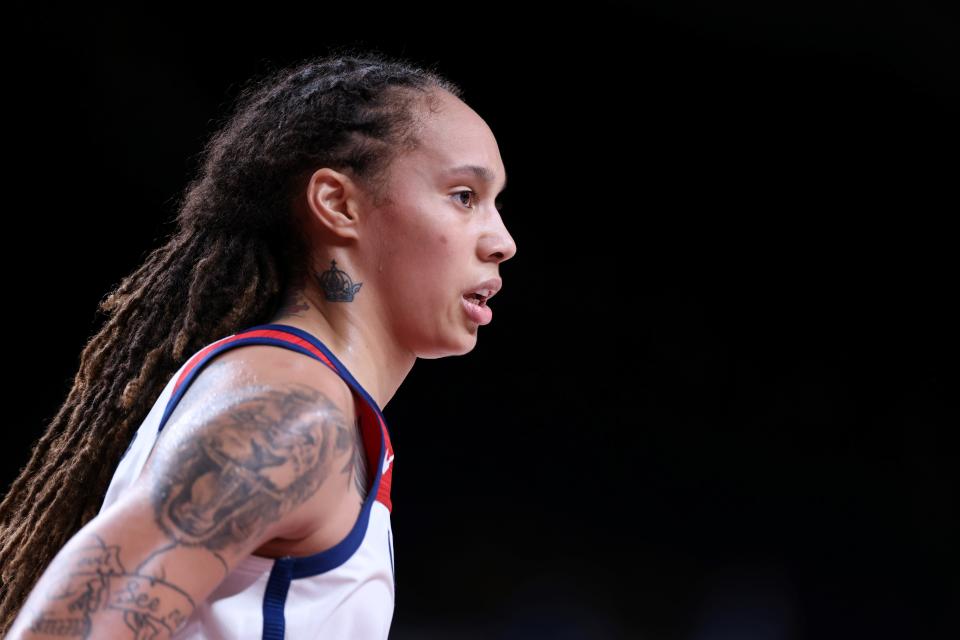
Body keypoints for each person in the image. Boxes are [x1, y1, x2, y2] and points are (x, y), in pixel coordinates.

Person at [0, 48, 516, 638]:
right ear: (338, 204)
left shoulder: (297, 399)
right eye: (463, 196)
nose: (502, 241)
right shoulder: (292, 414)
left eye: (495, 203)